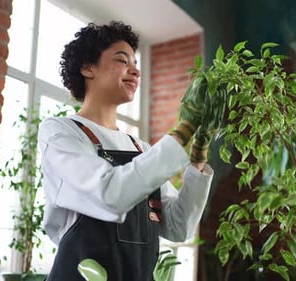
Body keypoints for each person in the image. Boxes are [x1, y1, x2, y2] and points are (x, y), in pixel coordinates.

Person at [39, 21, 217, 281]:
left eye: (136, 63)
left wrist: (198, 155)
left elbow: (179, 227)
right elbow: (110, 194)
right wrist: (184, 129)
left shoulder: (139, 148)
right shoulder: (61, 132)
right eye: (123, 60)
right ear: (88, 68)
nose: (135, 70)